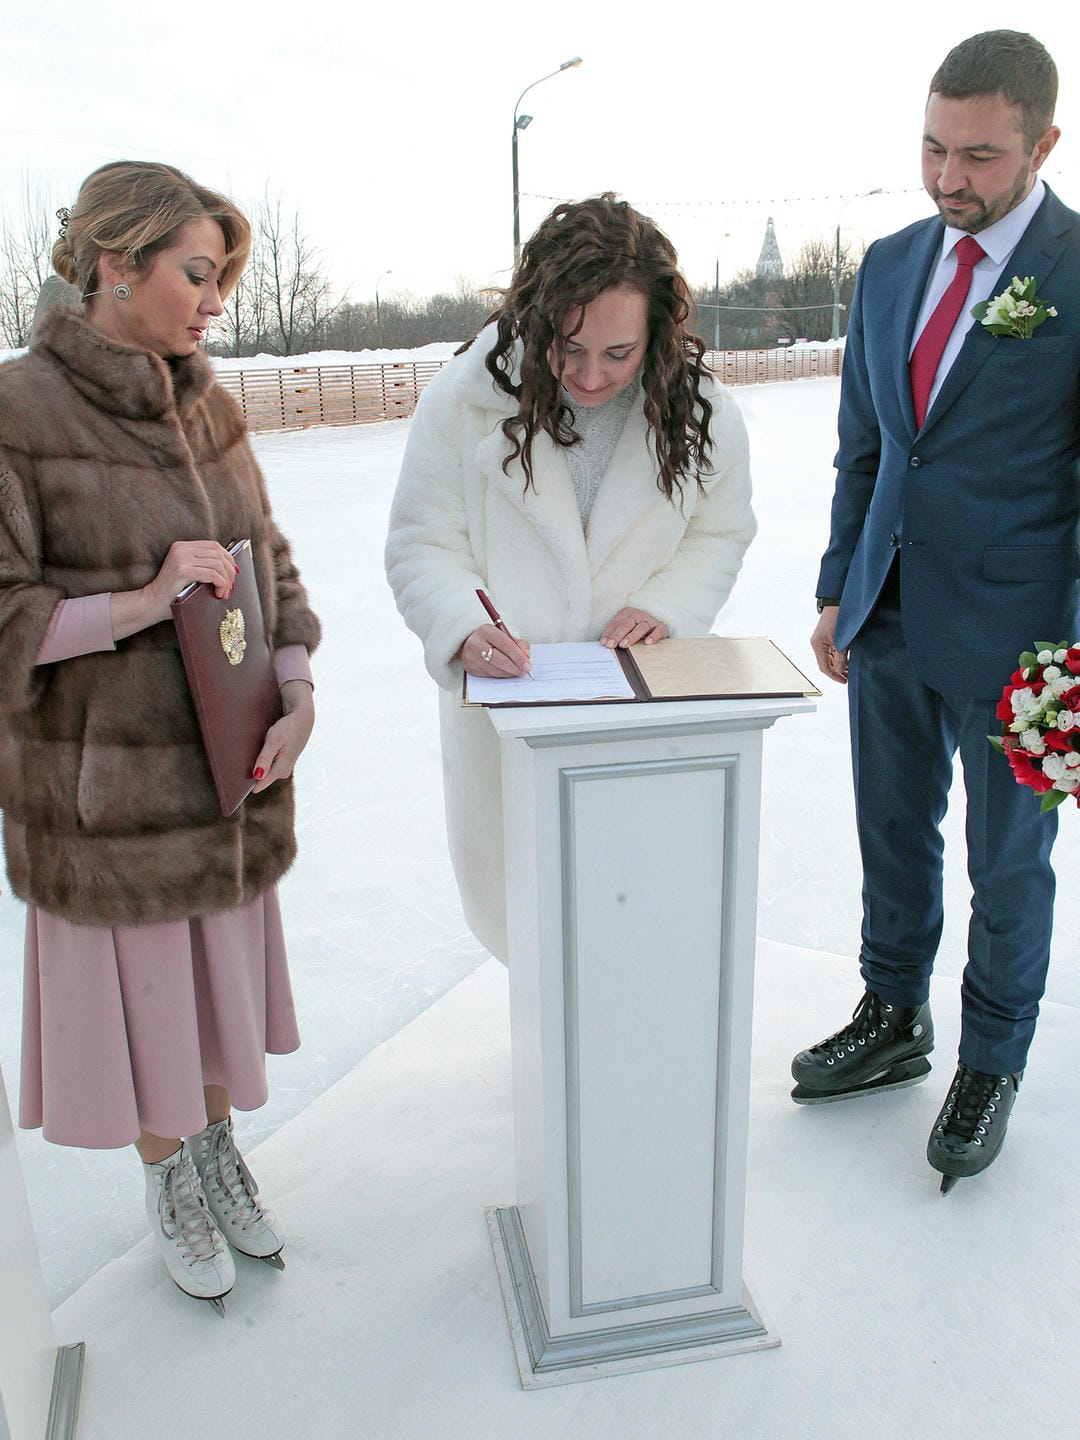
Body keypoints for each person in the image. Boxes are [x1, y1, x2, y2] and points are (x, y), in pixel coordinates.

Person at [0, 161, 320, 1310]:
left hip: (223, 772)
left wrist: (295, 686)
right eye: (197, 272)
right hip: (103, 799)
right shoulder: (19, 409)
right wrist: (140, 604)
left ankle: (218, 1153)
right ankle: (168, 1178)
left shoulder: (209, 405)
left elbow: (269, 566)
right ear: (116, 265)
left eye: (222, 275)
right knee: (142, 1003)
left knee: (210, 997)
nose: (216, 300)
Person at [795, 31, 1080, 1191]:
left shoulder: (1075, 271)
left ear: (1043, 144)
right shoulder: (891, 264)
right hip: (892, 612)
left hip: (1037, 642)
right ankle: (893, 1011)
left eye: (978, 156)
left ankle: (992, 1059)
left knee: (1010, 866)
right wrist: (838, 585)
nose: (948, 177)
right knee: (891, 830)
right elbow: (866, 446)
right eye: (931, 148)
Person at [385, 194, 756, 963]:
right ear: (537, 315)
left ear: (658, 330)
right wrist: (461, 626)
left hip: (640, 702)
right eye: (569, 346)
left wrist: (668, 605)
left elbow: (719, 531)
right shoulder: (465, 399)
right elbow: (423, 543)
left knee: (632, 917)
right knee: (525, 917)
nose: (590, 375)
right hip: (511, 710)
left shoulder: (704, 413)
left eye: (619, 353)